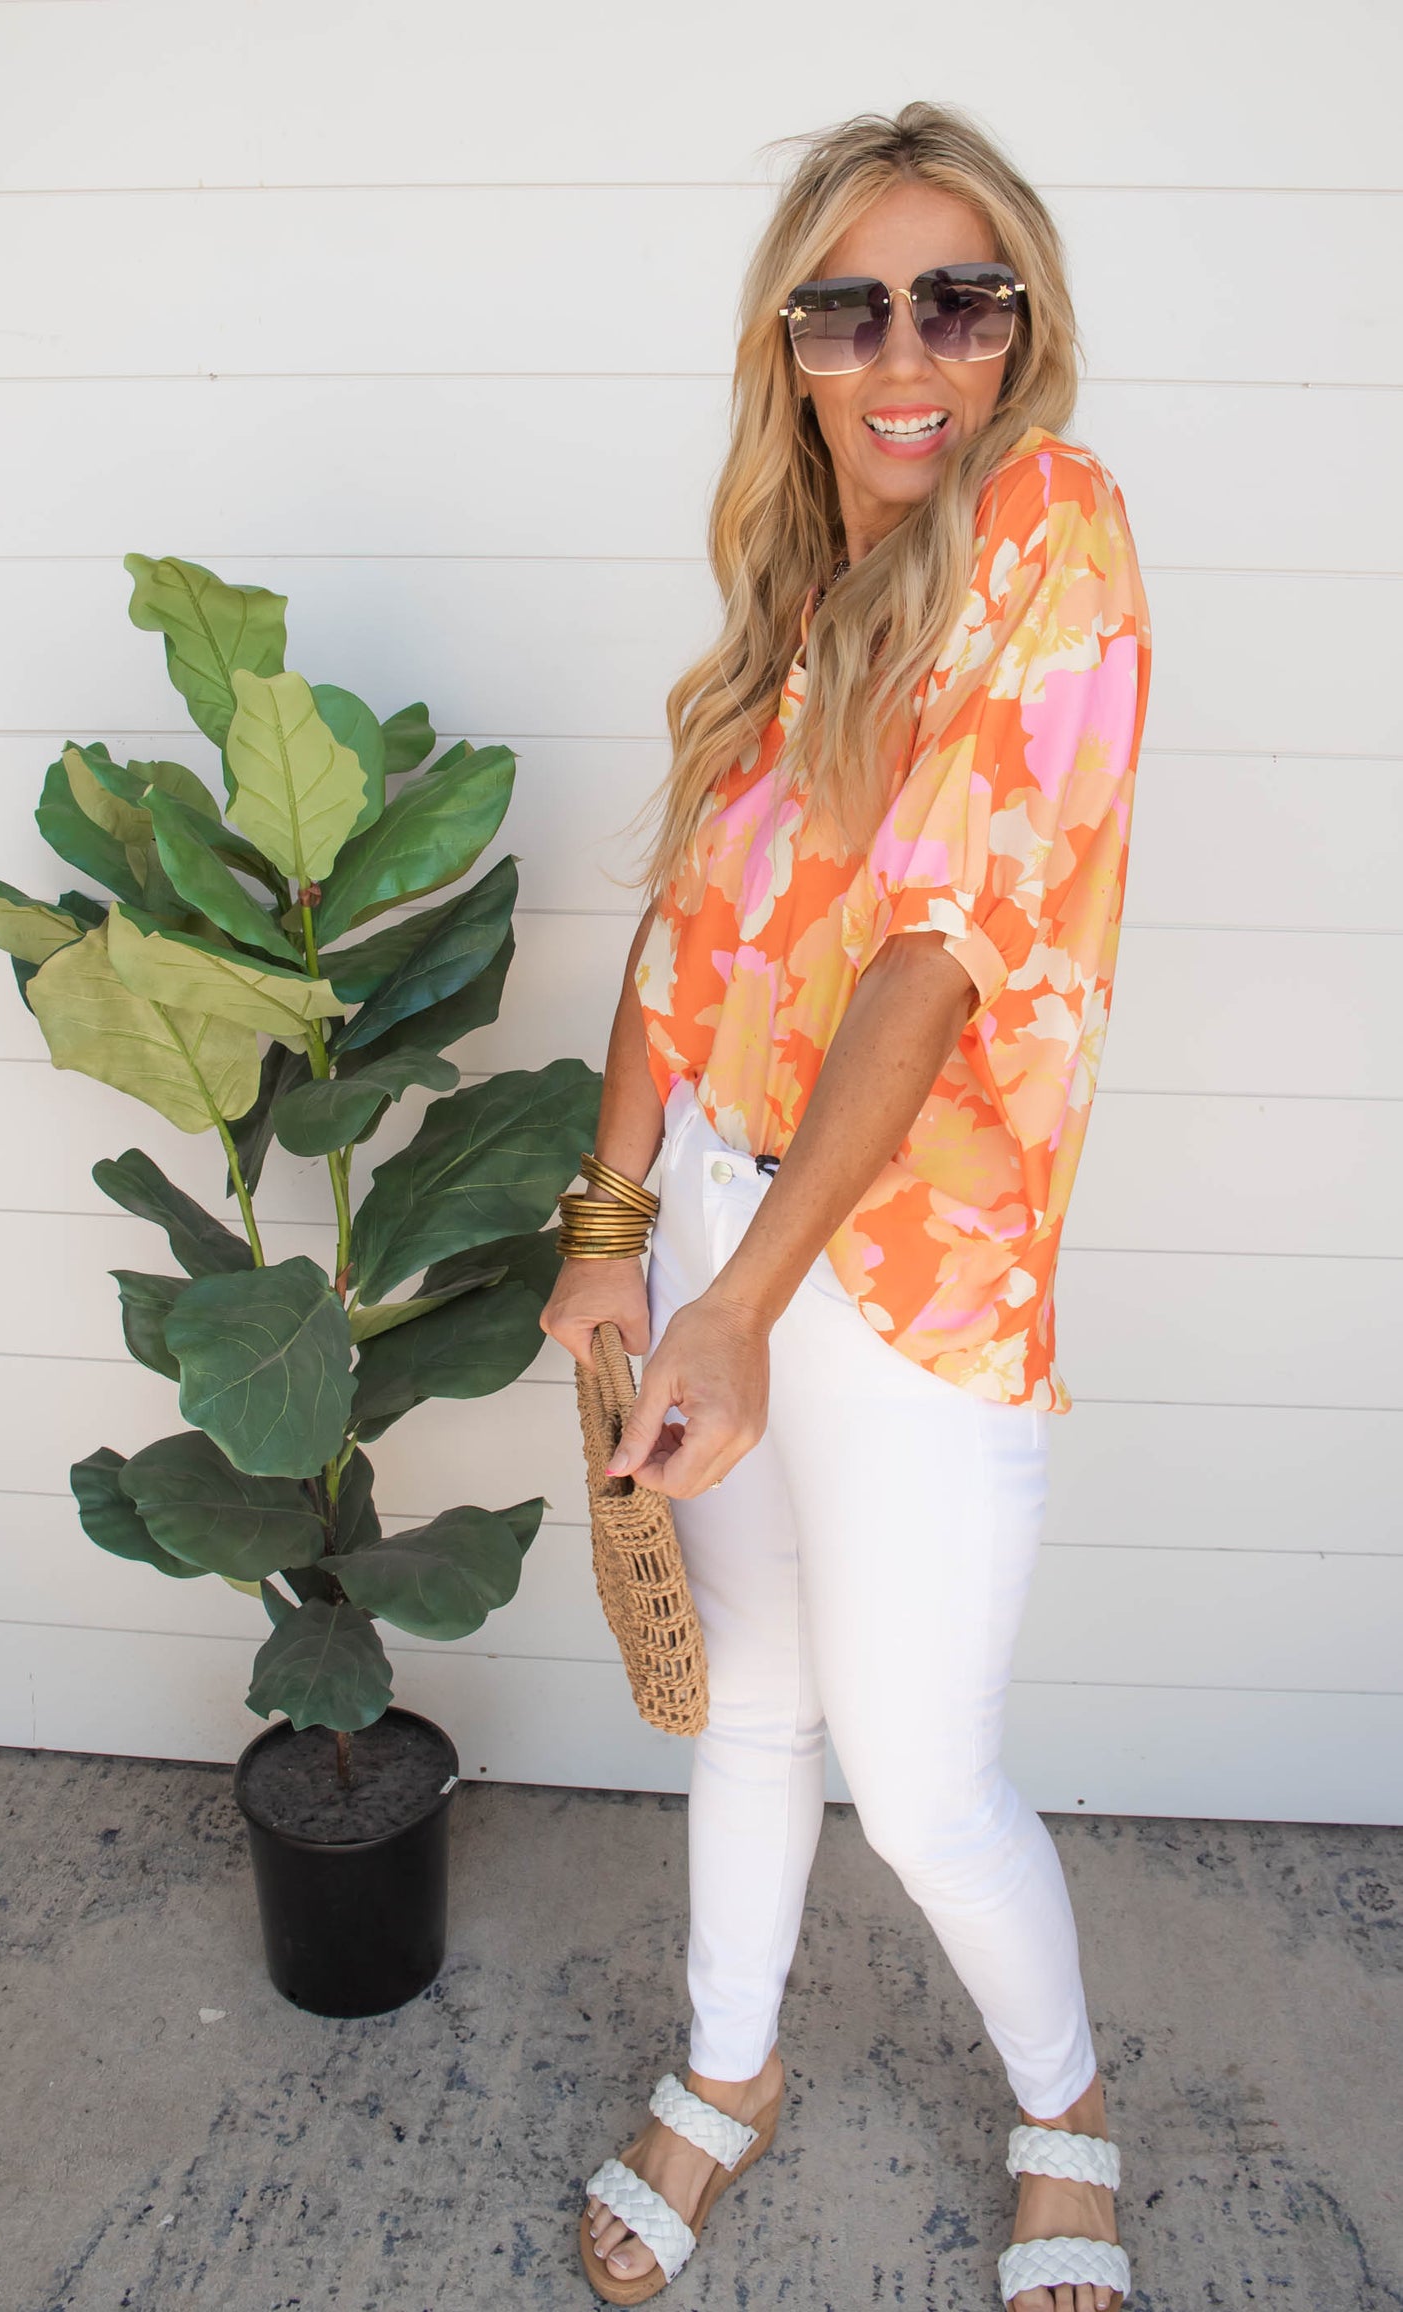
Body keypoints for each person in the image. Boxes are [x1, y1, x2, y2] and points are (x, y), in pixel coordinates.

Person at [541, 98, 1151, 2311]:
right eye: (853, 305)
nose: (912, 349)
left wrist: (740, 1307)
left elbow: (937, 951)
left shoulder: (1051, 531)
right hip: (722, 1229)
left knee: (918, 1777)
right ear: (791, 346)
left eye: (960, 297)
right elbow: (680, 952)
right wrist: (617, 1236)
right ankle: (728, 2069)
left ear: (1021, 328)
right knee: (758, 1705)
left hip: (908, 1274)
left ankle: (1065, 2107)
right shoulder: (796, 595)